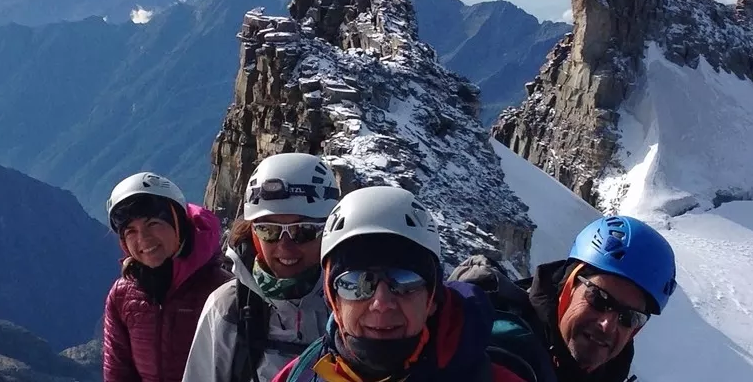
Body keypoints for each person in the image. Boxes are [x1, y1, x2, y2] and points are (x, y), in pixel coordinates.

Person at [273, 186, 532, 382]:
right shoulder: (301, 374)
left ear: (432, 299)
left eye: (405, 282)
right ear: (334, 301)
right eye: (356, 283)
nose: (381, 303)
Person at [184, 153, 341, 381]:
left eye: (303, 231)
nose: (284, 247)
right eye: (269, 231)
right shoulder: (228, 307)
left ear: (328, 230)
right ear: (254, 235)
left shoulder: (357, 303)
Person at [101, 172, 232, 382]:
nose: (143, 239)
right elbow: (118, 373)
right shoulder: (122, 295)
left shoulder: (222, 290)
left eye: (153, 223)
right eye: (130, 231)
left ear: (178, 224)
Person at [520, 215, 677, 382]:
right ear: (568, 285)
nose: (607, 326)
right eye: (599, 299)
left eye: (629, 317)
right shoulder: (509, 347)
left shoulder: (609, 373)